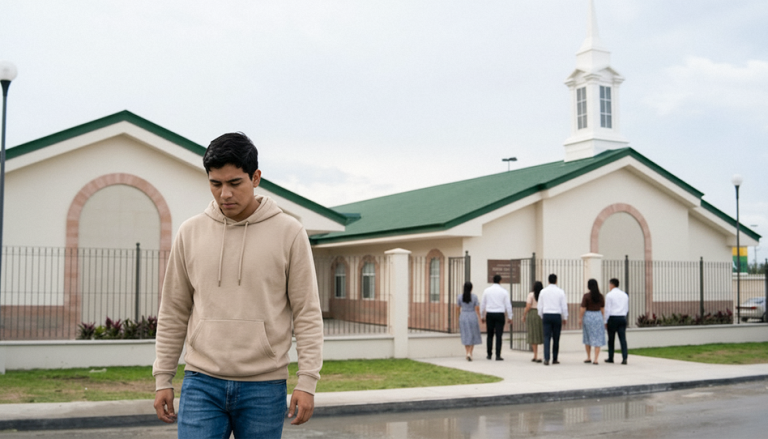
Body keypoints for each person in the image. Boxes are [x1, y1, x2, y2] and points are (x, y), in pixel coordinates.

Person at [152, 132, 324, 438]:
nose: (225, 194)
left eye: (234, 183)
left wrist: (307, 381)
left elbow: (307, 312)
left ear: (255, 178)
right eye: (215, 184)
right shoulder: (190, 232)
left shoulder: (289, 232)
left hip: (264, 386)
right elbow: (173, 311)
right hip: (201, 382)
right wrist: (163, 377)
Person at [480, 274, 513, 361]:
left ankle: (489, 354)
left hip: (490, 314)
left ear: (493, 280)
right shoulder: (504, 291)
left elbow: (483, 304)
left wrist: (482, 315)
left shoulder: (487, 291)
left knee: (489, 335)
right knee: (499, 335)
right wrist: (510, 316)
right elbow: (508, 305)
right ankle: (498, 355)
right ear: (500, 281)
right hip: (500, 314)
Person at [537, 273, 568, 365]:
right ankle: (555, 358)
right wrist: (565, 317)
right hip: (556, 315)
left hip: (546, 314)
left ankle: (546, 358)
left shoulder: (543, 291)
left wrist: (541, 315)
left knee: (546, 337)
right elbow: (564, 306)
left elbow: (540, 306)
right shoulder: (560, 292)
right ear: (556, 281)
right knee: (556, 338)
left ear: (548, 281)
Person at [579, 279, 605, 365]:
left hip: (588, 316)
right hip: (598, 316)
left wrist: (580, 318)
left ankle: (588, 357)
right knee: (597, 337)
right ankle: (596, 359)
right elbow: (602, 309)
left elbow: (583, 308)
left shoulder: (586, 296)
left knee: (587, 337)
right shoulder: (600, 296)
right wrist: (602, 317)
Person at [604, 278, 629, 365]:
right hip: (622, 317)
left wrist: (605, 321)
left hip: (613, 318)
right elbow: (626, 308)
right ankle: (624, 357)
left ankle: (611, 357)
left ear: (611, 285)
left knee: (611, 339)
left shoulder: (609, 295)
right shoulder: (624, 295)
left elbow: (607, 309)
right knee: (622, 339)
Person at [456, 281, 482, 361]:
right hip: (472, 315)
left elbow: (457, 308)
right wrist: (480, 317)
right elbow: (477, 308)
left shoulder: (460, 297)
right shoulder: (474, 297)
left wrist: (458, 317)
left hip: (463, 315)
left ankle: (467, 352)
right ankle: (470, 352)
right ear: (471, 288)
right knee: (472, 334)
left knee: (465, 334)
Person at [522, 281, 544, 363]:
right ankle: (540, 355)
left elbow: (528, 306)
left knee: (533, 334)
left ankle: (535, 355)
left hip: (532, 314)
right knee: (541, 334)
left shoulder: (531, 295)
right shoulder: (543, 295)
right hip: (541, 314)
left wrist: (524, 315)